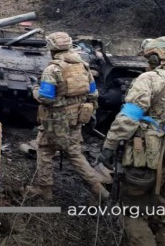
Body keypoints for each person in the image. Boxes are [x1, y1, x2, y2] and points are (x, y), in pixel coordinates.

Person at [98, 36, 165, 246]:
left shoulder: (148, 79)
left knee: (132, 212)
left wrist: (108, 148)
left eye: (149, 56)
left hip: (146, 159)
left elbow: (128, 119)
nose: (147, 61)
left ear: (159, 57)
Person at [25, 32, 108, 202]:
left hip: (56, 120)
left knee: (45, 150)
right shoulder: (83, 66)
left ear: (51, 48)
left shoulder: (53, 69)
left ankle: (44, 189)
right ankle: (98, 189)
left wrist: (34, 88)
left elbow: (45, 98)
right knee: (74, 152)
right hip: (76, 119)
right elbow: (93, 93)